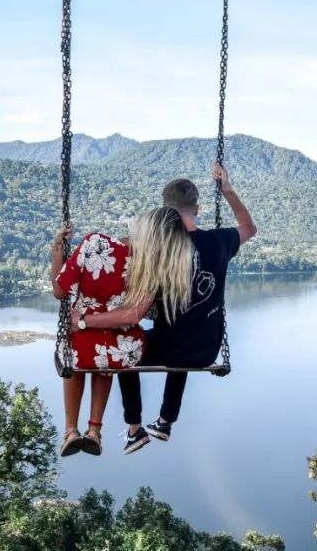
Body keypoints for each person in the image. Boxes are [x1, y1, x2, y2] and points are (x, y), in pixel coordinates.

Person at [76, 163, 257, 454]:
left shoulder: (160, 251)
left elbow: (133, 313)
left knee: (126, 346)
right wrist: (228, 190)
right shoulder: (220, 241)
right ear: (197, 209)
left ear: (165, 210)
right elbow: (249, 227)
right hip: (206, 350)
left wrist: (84, 319)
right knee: (185, 327)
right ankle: (165, 421)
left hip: (170, 348)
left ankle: (134, 429)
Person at [50, 205, 198, 456]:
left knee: (77, 353)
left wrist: (57, 251)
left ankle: (71, 430)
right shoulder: (153, 266)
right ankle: (95, 429)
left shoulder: (94, 243)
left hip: (82, 341)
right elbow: (135, 315)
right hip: (122, 349)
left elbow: (59, 292)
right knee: (106, 353)